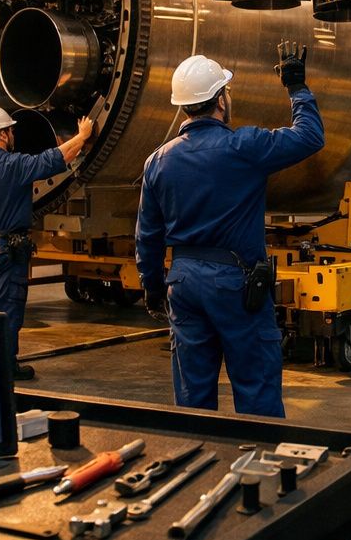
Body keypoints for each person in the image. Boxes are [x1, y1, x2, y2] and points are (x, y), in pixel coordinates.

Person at [136, 43, 323, 418]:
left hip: (184, 283)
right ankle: (261, 466)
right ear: (220, 100)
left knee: (192, 397)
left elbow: (148, 236)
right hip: (235, 283)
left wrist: (154, 288)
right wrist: (297, 89)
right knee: (256, 387)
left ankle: (197, 461)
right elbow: (309, 137)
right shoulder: (244, 147)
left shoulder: (157, 161)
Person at [0, 107, 94, 380]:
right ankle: (5, 366)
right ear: (3, 134)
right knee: (6, 307)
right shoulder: (14, 165)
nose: (13, 135)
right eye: (11, 130)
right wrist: (82, 136)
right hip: (5, 249)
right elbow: (57, 158)